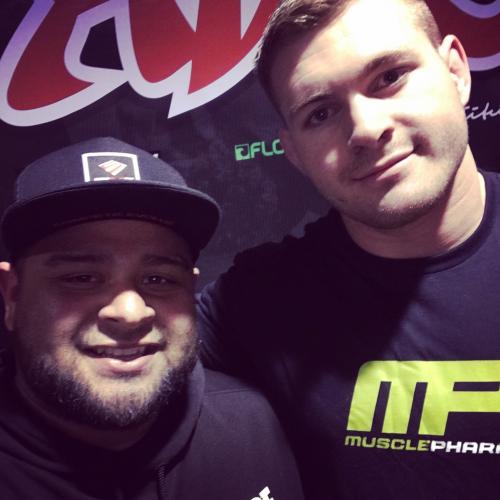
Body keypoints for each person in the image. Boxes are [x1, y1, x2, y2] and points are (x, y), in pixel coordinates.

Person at [197, 0, 500, 498]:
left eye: (389, 78)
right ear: (294, 153)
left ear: (455, 72)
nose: (365, 129)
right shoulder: (260, 296)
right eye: (320, 113)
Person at [0, 137, 304, 500]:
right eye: (81, 278)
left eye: (158, 280)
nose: (130, 314)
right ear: (12, 295)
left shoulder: (250, 423)